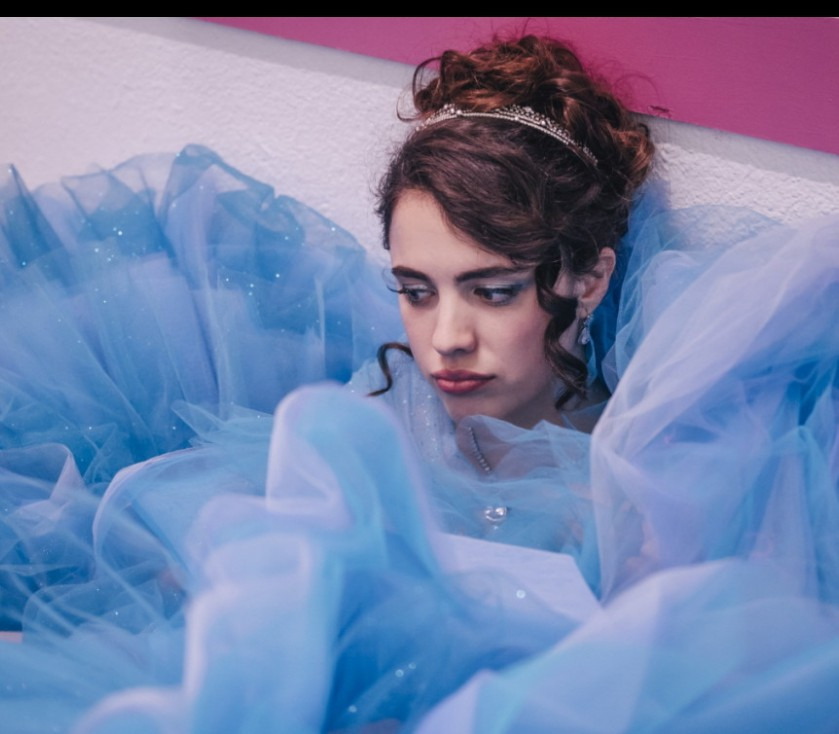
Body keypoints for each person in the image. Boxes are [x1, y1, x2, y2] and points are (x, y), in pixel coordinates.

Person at [0, 34, 838, 734]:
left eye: (492, 291)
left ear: (588, 279)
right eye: (415, 290)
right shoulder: (363, 420)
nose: (445, 339)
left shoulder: (651, 484)